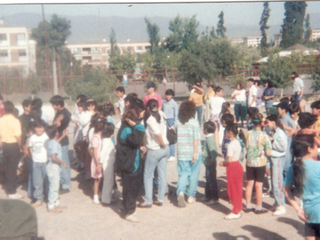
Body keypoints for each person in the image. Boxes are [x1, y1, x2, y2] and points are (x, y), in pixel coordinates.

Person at [283, 134, 320, 240]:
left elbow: (285, 190)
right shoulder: (318, 166)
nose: (318, 148)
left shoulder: (293, 167)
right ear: (309, 149)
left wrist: (298, 209)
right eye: (316, 146)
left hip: (308, 212)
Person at [115, 106, 146, 222]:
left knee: (131, 187)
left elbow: (134, 143)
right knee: (131, 188)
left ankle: (125, 206)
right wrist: (137, 126)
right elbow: (136, 139)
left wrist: (139, 147)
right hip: (130, 164)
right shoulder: (127, 129)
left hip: (131, 162)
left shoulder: (126, 128)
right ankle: (130, 212)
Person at [138, 99, 169, 208]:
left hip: (155, 149)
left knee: (148, 175)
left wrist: (162, 143)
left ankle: (148, 200)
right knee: (162, 174)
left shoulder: (150, 120)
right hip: (165, 149)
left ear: (148, 108)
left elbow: (157, 134)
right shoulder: (162, 114)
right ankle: (160, 198)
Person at [175, 101, 202, 207]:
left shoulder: (177, 122)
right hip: (194, 152)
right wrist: (195, 152)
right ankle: (190, 196)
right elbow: (196, 139)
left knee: (183, 173)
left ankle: (181, 192)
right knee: (194, 174)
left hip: (182, 152)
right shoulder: (194, 123)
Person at [244, 113, 271, 214]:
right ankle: (259, 207)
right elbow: (268, 152)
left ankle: (248, 205)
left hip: (249, 161)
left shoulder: (248, 133)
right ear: (262, 123)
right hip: (260, 162)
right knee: (259, 185)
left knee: (249, 183)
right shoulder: (264, 135)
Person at [219, 123, 245, 220]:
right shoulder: (238, 142)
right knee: (238, 188)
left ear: (230, 132)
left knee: (232, 189)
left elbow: (229, 160)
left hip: (232, 166)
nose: (225, 133)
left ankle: (235, 211)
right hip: (238, 165)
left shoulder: (230, 145)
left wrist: (223, 162)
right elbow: (238, 156)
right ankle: (238, 207)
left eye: (226, 132)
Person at [265, 114, 288, 216]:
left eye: (268, 122)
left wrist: (272, 141)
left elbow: (283, 148)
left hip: (278, 158)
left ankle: (281, 205)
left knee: (278, 182)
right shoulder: (275, 132)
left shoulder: (280, 133)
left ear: (274, 122)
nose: (267, 124)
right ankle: (277, 202)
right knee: (275, 182)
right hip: (273, 158)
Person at [0, 101, 23, 199]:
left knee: (7, 167)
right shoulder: (15, 121)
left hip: (5, 146)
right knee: (13, 168)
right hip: (13, 145)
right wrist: (20, 147)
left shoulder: (1, 120)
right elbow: (18, 137)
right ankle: (12, 191)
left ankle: (8, 186)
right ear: (13, 109)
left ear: (4, 110)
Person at [50, 95, 71, 193]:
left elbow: (62, 117)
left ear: (58, 104)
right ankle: (63, 181)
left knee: (63, 161)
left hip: (62, 141)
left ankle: (66, 184)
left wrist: (58, 120)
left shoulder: (64, 113)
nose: (52, 106)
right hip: (59, 140)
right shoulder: (59, 112)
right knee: (60, 161)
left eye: (53, 104)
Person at [45, 125, 67, 213]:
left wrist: (61, 137)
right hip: (53, 166)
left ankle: (56, 203)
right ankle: (51, 205)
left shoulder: (50, 142)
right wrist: (62, 162)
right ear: (56, 133)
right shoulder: (54, 143)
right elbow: (54, 157)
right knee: (54, 186)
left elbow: (55, 144)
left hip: (51, 166)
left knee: (55, 185)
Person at [28, 119, 49, 207]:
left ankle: (49, 197)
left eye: (41, 127)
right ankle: (38, 198)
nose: (39, 129)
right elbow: (30, 147)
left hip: (45, 162)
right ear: (34, 128)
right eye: (37, 127)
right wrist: (33, 155)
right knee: (37, 182)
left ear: (44, 128)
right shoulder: (32, 137)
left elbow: (49, 148)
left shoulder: (46, 137)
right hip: (36, 162)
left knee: (47, 181)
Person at [277, 102, 297, 175]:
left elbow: (294, 131)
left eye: (278, 109)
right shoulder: (277, 119)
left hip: (288, 145)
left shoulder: (289, 120)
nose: (277, 111)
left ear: (283, 110)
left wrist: (285, 137)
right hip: (279, 145)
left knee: (286, 166)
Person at [90, 117, 107, 205]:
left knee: (102, 178)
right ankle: (95, 195)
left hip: (102, 161)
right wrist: (97, 164)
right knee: (97, 179)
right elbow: (95, 152)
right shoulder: (95, 138)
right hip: (97, 161)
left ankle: (100, 193)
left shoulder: (101, 138)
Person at [202, 121, 219, 205]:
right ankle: (208, 196)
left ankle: (214, 198)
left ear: (205, 130)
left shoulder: (209, 139)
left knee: (211, 181)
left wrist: (212, 159)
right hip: (208, 164)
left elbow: (214, 151)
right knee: (209, 180)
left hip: (210, 164)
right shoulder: (210, 138)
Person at [101, 122, 116, 206]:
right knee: (108, 182)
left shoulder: (106, 140)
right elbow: (103, 153)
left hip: (109, 163)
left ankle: (107, 198)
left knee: (109, 181)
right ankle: (106, 200)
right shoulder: (107, 141)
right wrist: (100, 163)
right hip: (107, 163)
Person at [162, 89, 179, 162]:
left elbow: (176, 115)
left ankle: (172, 155)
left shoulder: (174, 103)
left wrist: (174, 125)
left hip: (171, 121)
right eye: (167, 95)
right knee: (165, 137)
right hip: (164, 120)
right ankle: (167, 154)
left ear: (172, 95)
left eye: (169, 95)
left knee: (171, 138)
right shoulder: (163, 102)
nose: (168, 96)